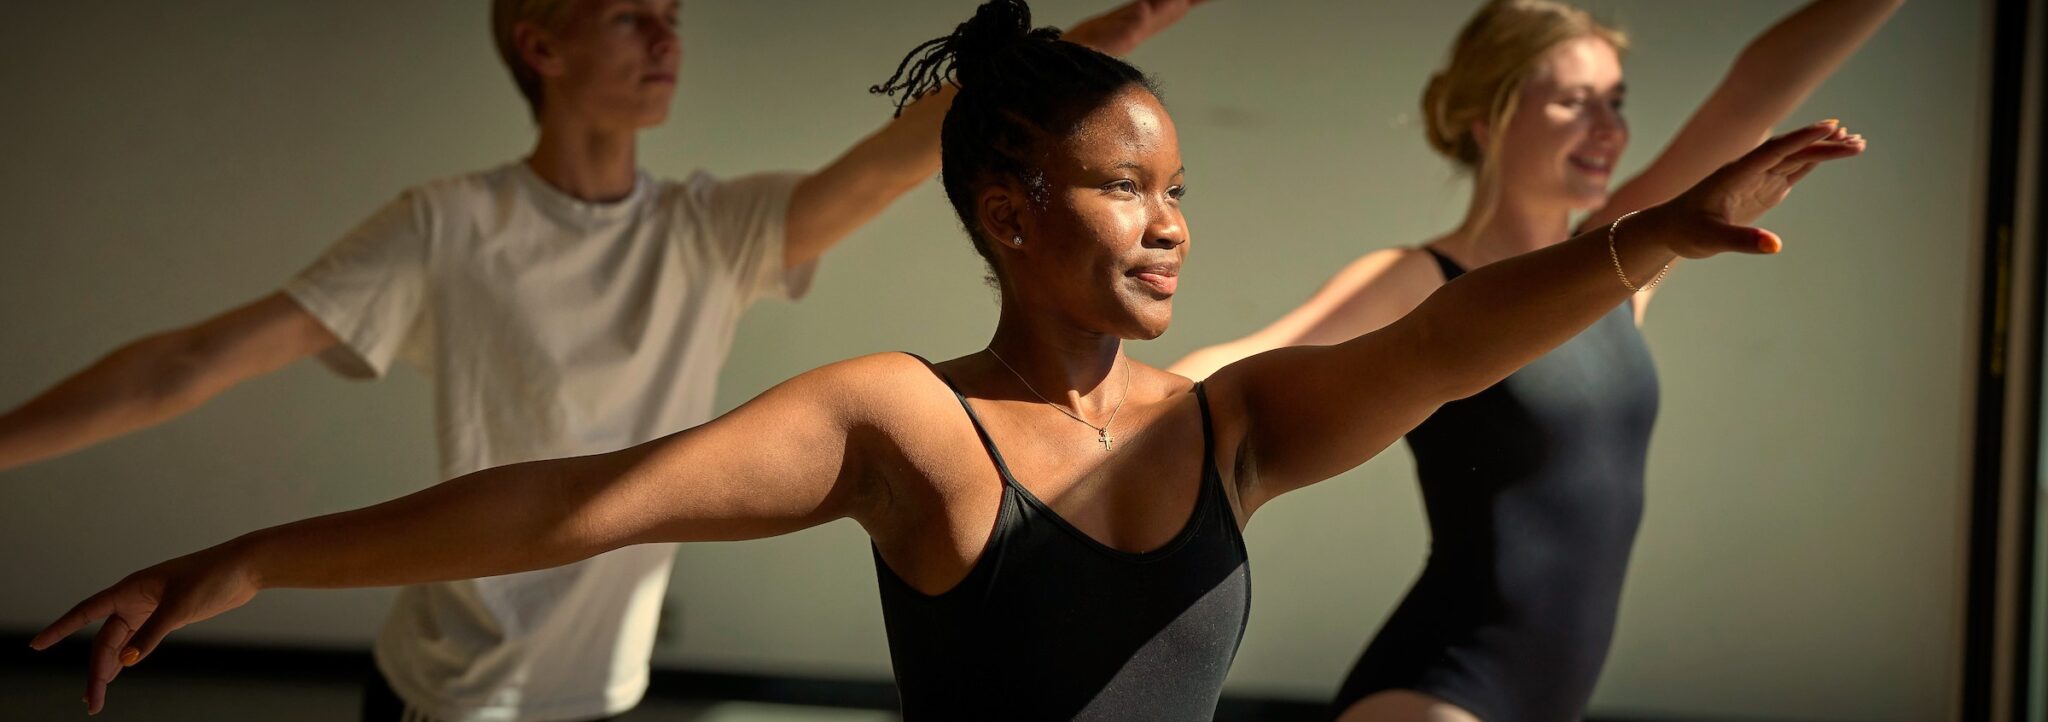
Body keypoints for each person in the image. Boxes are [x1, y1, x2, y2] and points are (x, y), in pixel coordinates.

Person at [31, 0, 1864, 718]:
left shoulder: (1233, 424)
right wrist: (254, 554)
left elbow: (1459, 330)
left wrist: (1647, 238)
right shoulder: (902, 422)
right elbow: (577, 499)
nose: (1166, 223)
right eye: (1120, 187)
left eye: (1179, 190)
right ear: (1002, 210)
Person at [0, 0, 1201, 719]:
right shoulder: (447, 225)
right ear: (541, 41)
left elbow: (901, 148)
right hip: (453, 696)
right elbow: (193, 360)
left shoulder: (709, 228)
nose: (666, 32)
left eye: (674, 12)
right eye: (630, 11)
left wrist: (1090, 49)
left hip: (608, 696)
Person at [1167, 2, 1898, 720]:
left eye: (1615, 101)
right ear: (1492, 119)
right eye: (1575, 103)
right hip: (1437, 695)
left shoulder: (1618, 258)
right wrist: (1081, 420)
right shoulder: (1423, 279)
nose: (1608, 129)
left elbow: (1755, 90)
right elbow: (1235, 367)